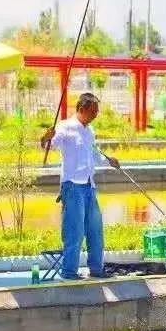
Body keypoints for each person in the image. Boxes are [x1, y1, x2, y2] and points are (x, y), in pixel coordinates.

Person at [40, 93, 121, 280]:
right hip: (72, 186)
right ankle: (69, 271)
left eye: (96, 112)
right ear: (81, 109)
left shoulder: (89, 131)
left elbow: (93, 154)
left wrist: (109, 161)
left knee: (95, 230)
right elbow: (49, 145)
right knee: (74, 231)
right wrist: (46, 138)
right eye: (93, 111)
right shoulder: (65, 127)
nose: (95, 115)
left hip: (89, 186)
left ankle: (97, 269)